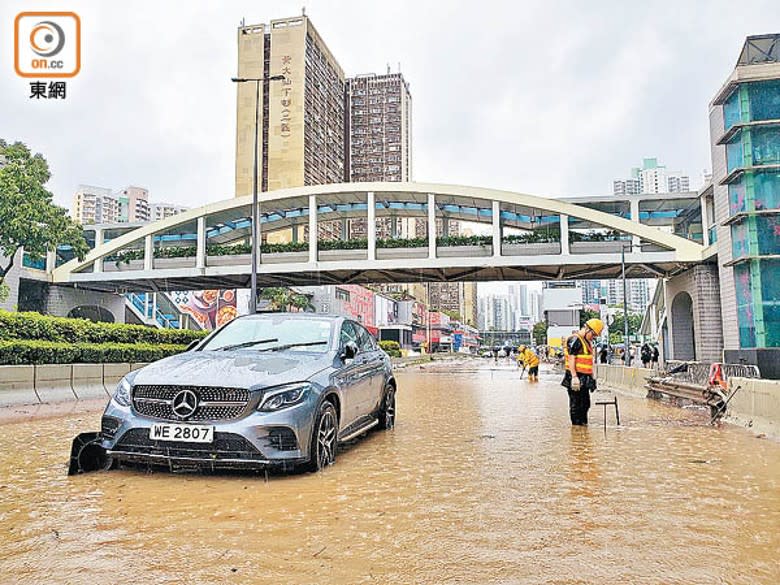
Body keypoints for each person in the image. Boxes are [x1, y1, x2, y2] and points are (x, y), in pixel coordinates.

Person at [561, 318, 603, 426]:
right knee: (576, 404)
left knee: (585, 403)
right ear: (587, 329)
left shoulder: (586, 341)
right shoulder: (575, 339)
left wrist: (591, 376)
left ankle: (583, 426)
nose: (593, 337)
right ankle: (576, 429)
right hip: (576, 376)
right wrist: (574, 377)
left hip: (585, 377)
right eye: (593, 335)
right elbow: (571, 359)